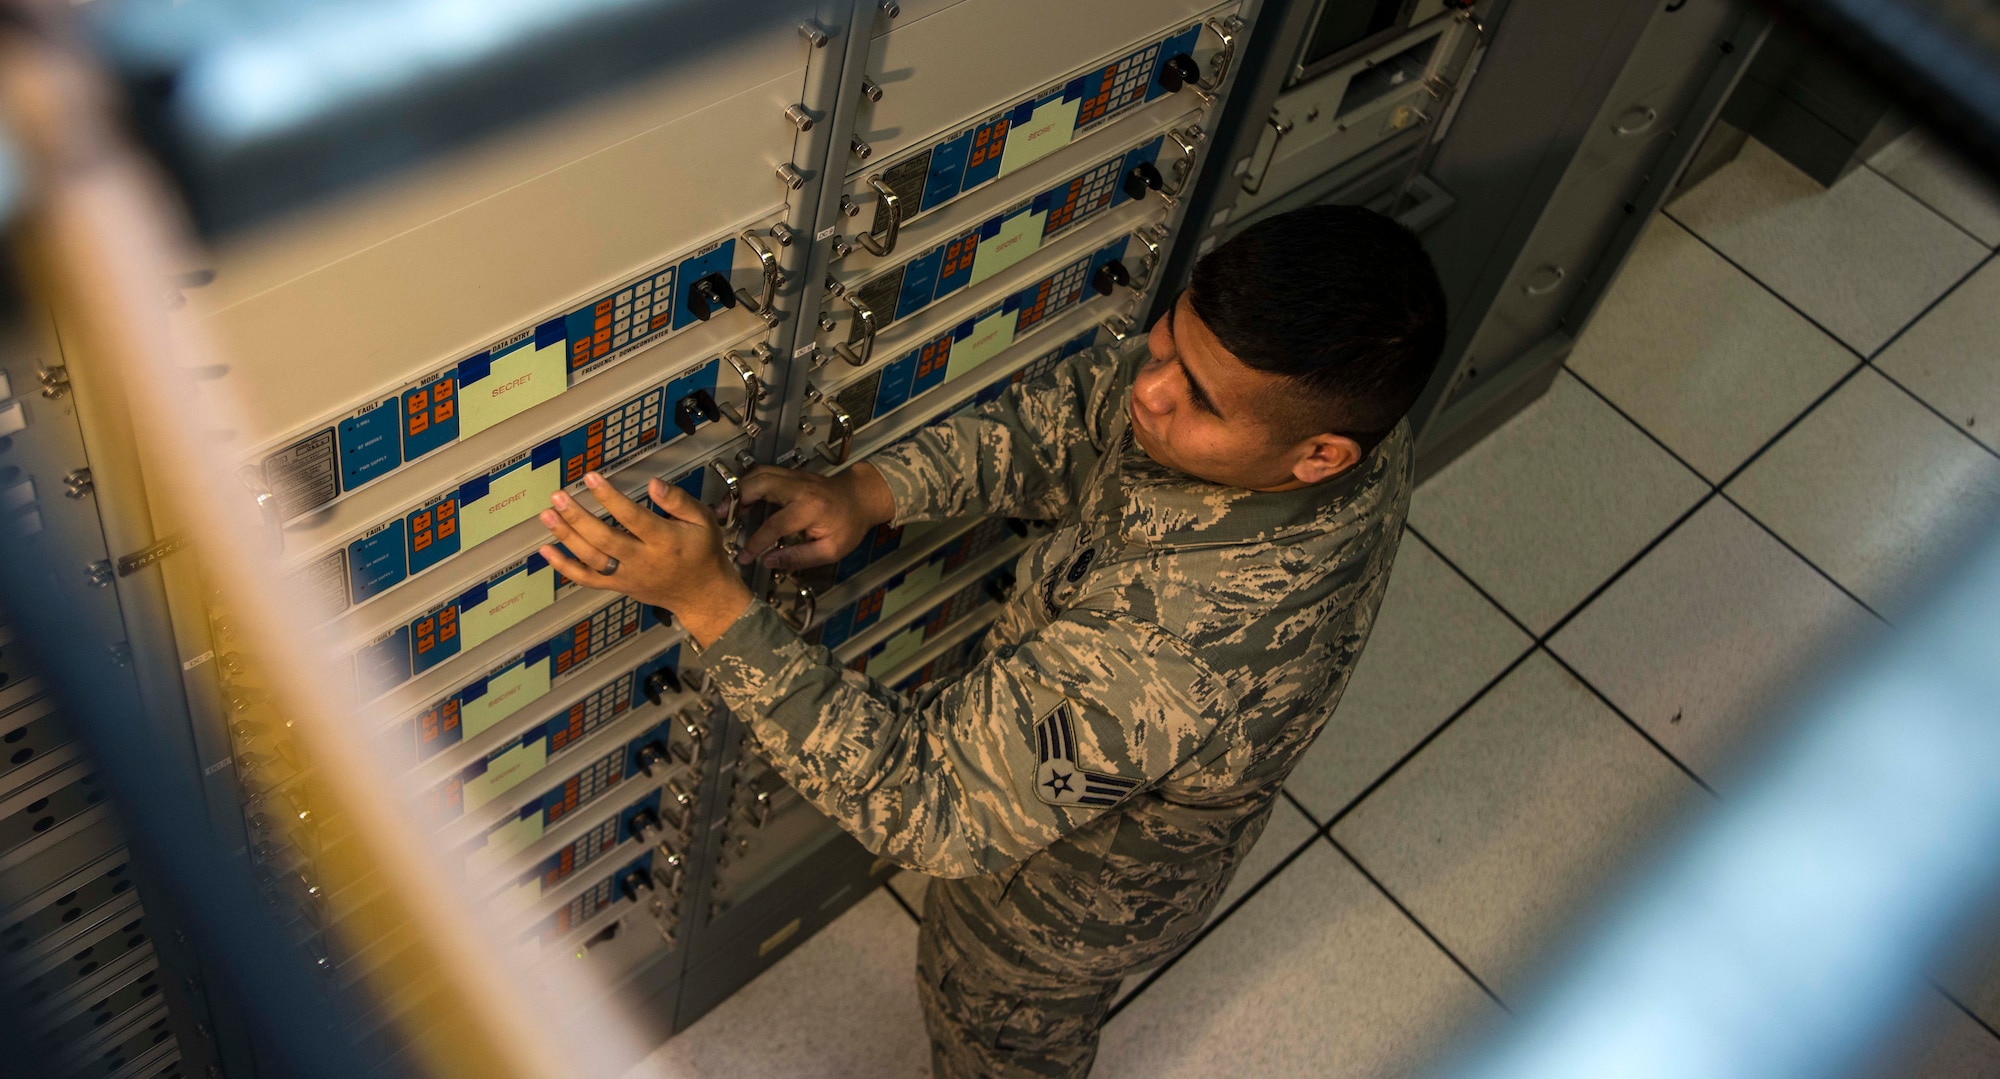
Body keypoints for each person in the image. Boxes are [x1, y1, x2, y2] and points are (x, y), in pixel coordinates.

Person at [537, 203, 1448, 1078]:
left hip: (1058, 909)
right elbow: (1078, 420)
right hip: (1115, 806)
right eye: (1168, 340)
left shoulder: (1184, 650)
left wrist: (708, 602)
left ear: (1323, 456)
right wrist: (870, 491)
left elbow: (924, 797)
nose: (1149, 385)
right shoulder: (1345, 407)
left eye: (1198, 398)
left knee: (1001, 1038)